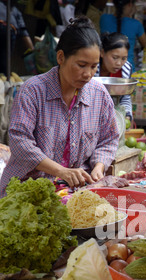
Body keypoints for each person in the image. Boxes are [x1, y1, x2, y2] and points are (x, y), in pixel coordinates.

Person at [0, 16, 119, 198]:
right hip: (25, 190)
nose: (88, 74)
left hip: (73, 192)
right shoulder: (33, 91)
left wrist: (99, 166)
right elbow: (20, 142)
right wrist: (61, 171)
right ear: (61, 57)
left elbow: (108, 139)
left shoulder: (99, 95)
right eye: (81, 65)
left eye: (94, 66)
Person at [100, 0, 146, 72]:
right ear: (130, 4)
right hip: (128, 70)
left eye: (123, 58)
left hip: (105, 67)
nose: (118, 63)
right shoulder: (136, 24)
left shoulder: (104, 19)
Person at [97, 31, 133, 121]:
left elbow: (125, 97)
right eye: (115, 57)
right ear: (102, 53)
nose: (119, 63)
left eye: (124, 58)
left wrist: (127, 116)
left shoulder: (126, 69)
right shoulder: (91, 68)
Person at [0, 0, 34, 76]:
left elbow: (23, 32)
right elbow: (24, 32)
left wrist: (32, 52)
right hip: (8, 31)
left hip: (9, 31)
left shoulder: (15, 11)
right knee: (4, 63)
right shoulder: (14, 10)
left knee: (4, 62)